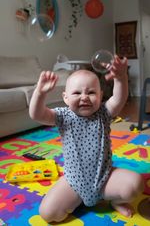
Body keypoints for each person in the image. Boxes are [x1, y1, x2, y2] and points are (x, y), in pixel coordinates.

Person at [29, 55, 144, 223]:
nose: (84, 97)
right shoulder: (63, 116)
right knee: (47, 213)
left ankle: (115, 201)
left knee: (136, 184)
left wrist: (121, 78)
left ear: (101, 95)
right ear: (65, 97)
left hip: (105, 178)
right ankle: (76, 199)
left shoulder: (104, 113)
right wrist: (39, 93)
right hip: (74, 181)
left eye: (91, 92)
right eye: (77, 93)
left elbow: (119, 99)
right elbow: (37, 114)